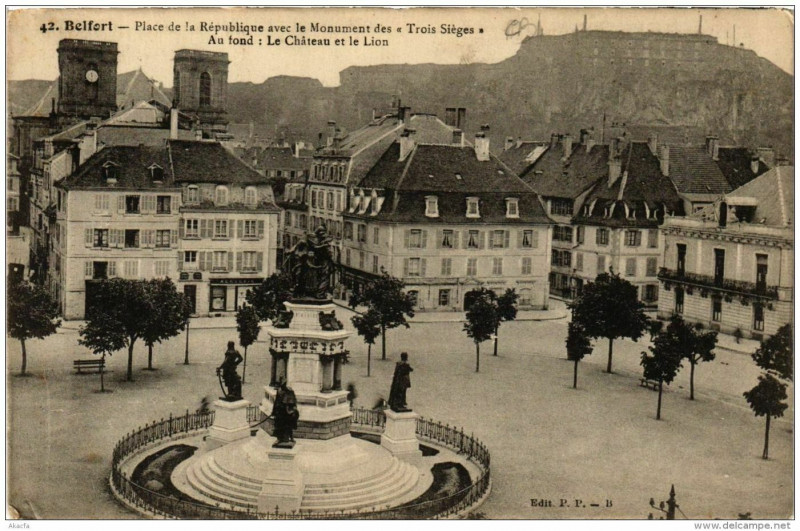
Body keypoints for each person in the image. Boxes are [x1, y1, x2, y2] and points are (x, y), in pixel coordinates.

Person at [271, 380, 299, 446]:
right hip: (280, 412)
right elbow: (276, 401)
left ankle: (291, 437)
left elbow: (293, 402)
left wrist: (292, 410)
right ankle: (279, 439)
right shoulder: (279, 390)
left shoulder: (290, 391)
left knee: (289, 425)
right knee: (278, 426)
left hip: (287, 413)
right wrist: (274, 411)